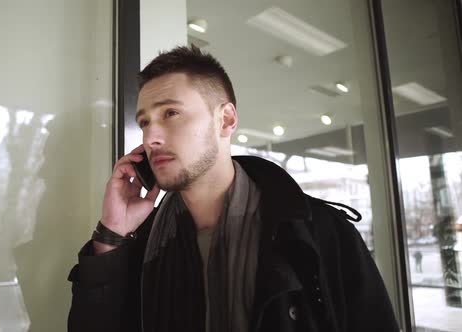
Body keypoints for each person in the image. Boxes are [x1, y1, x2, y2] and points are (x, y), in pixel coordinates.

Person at [67, 46, 399, 332]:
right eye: (144, 122)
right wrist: (111, 235)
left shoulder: (320, 234)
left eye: (171, 113)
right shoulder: (141, 243)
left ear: (226, 120)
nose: (151, 137)